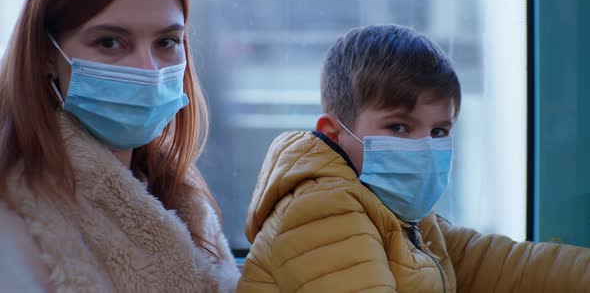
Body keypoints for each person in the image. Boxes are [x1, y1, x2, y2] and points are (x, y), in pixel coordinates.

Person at [237, 25, 590, 292]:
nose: (424, 147)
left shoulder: (405, 219)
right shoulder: (319, 210)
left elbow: (498, 264)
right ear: (334, 134)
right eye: (400, 127)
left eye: (438, 132)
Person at [0, 0, 240, 291]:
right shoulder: (16, 221)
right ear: (47, 57)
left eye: (167, 42)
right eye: (111, 42)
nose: (148, 70)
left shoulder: (183, 201)